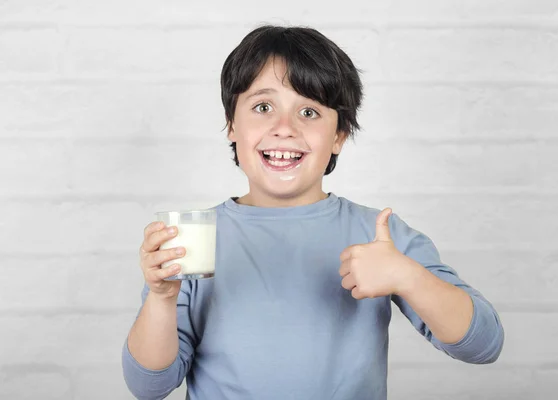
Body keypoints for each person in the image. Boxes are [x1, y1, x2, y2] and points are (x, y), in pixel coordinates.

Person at [122, 25, 504, 400]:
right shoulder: (193, 237)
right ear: (231, 126)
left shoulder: (378, 233)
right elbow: (149, 387)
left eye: (309, 111)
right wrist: (161, 299)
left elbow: (483, 345)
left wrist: (409, 277)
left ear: (339, 135)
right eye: (263, 107)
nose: (284, 128)